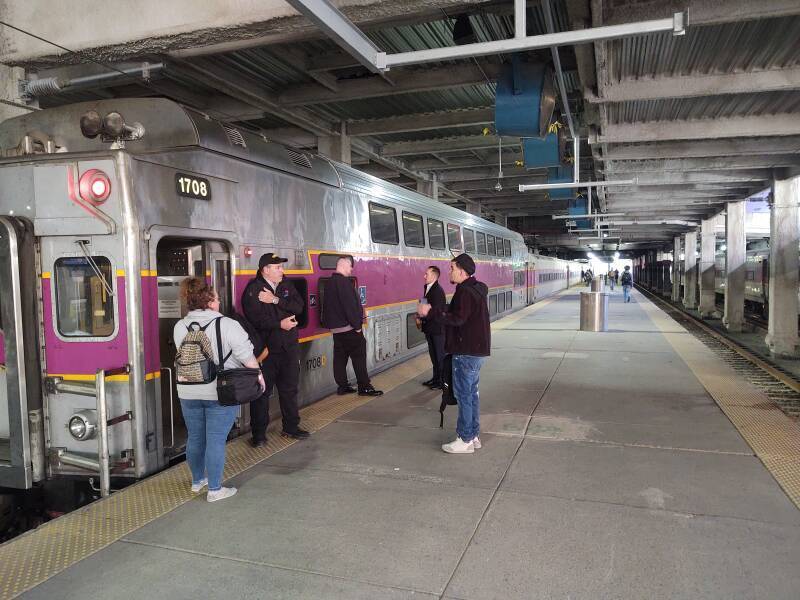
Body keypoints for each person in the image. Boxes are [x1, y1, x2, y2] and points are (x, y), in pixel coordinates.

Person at [174, 277, 264, 502]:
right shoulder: (227, 324)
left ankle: (197, 482)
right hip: (220, 391)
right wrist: (259, 376)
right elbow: (247, 357)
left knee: (195, 437)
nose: (220, 301)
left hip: (187, 390)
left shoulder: (180, 326)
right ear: (210, 300)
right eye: (217, 298)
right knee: (215, 439)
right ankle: (214, 490)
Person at [418, 253, 490, 454]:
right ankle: (473, 436)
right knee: (472, 395)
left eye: (452, 268)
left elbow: (458, 319)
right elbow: (461, 313)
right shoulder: (475, 289)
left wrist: (430, 312)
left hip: (466, 351)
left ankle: (464, 438)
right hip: (476, 351)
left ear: (461, 271)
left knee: (464, 395)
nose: (449, 271)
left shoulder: (465, 292)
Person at [242, 252, 309, 445]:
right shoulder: (253, 290)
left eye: (281, 267)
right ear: (265, 270)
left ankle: (291, 427)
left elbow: (299, 307)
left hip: (289, 348)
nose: (282, 270)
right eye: (278, 267)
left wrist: (275, 300)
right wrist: (279, 324)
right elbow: (255, 319)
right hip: (267, 351)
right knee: (262, 393)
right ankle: (259, 435)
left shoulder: (286, 285)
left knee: (290, 390)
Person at [321, 256, 383, 397]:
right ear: (343, 266)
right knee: (359, 356)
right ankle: (364, 387)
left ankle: (343, 386)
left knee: (340, 357)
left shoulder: (329, 283)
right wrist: (357, 327)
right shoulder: (344, 283)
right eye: (350, 267)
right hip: (349, 329)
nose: (351, 270)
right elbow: (349, 307)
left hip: (336, 330)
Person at [418, 265, 447, 389]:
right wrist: (420, 314)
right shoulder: (428, 288)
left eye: (427, 274)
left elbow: (435, 311)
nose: (424, 276)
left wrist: (423, 315)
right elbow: (425, 305)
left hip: (437, 329)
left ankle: (441, 382)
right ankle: (435, 378)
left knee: (439, 356)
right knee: (433, 356)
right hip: (430, 328)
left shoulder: (438, 291)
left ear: (434, 276)